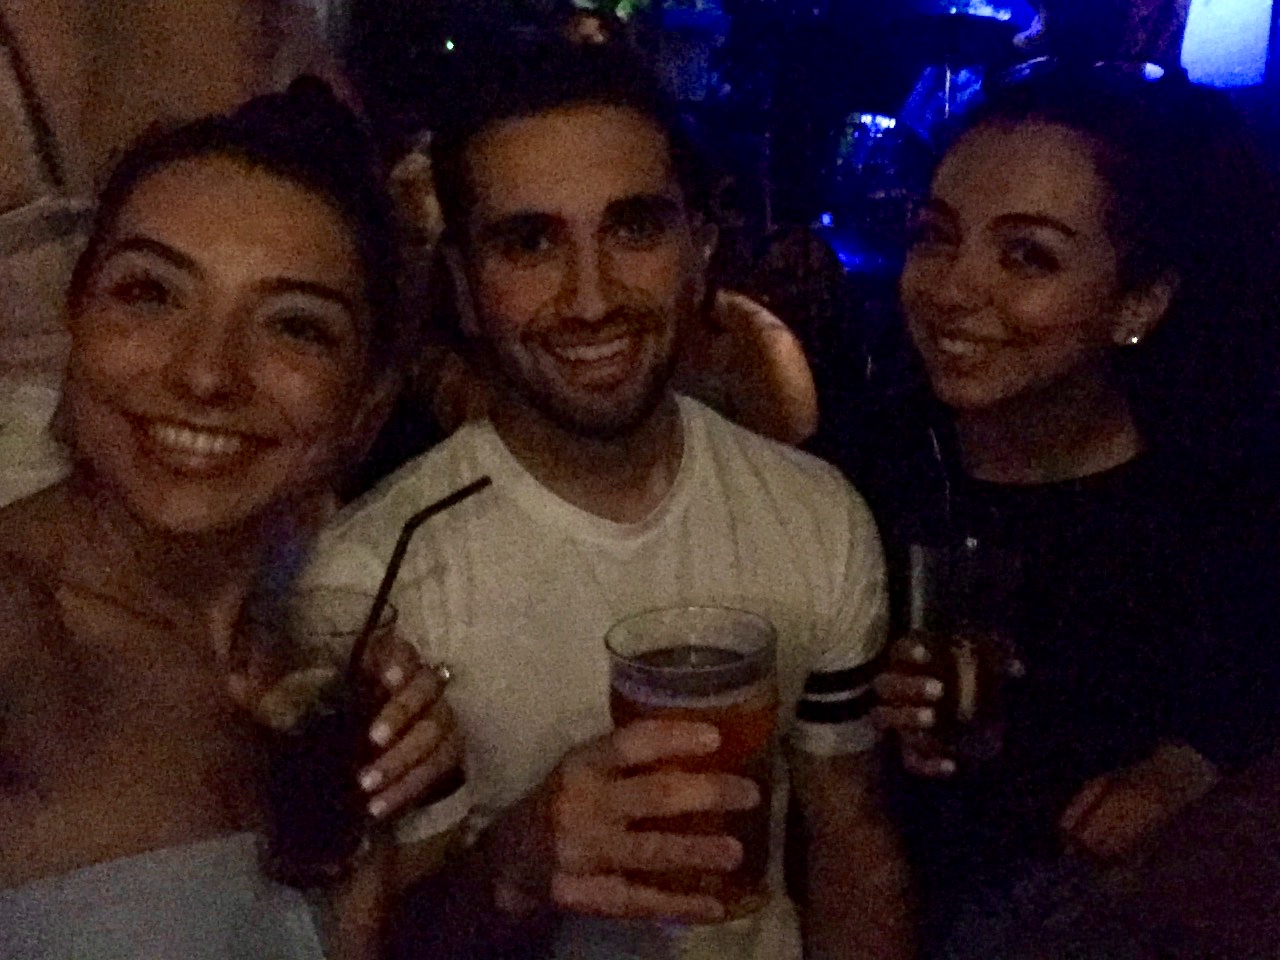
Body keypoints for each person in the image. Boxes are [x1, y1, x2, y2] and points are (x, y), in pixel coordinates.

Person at [302, 34, 911, 960]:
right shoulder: (370, 583)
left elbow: (851, 845)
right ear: (463, 288)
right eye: (530, 242)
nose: (591, 298)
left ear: (699, 249)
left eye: (634, 229)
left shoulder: (815, 514)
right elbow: (373, 943)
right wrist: (515, 866)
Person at [0, 82, 460, 959]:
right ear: (75, 321)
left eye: (295, 327)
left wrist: (374, 839)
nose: (206, 374)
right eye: (150, 293)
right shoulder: (19, 633)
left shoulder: (304, 669)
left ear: (365, 409)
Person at [860, 66, 1280, 956]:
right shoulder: (862, 476)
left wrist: (1193, 769)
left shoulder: (1219, 517)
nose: (953, 288)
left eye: (1027, 255)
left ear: (1138, 303)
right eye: (937, 236)